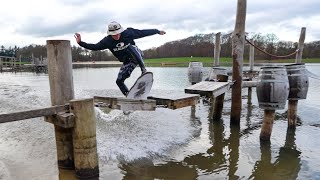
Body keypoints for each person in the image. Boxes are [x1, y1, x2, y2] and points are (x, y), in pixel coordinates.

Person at [74, 21, 166, 96]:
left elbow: (142, 32)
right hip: (128, 62)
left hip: (137, 56)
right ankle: (129, 97)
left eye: (118, 33)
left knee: (130, 47)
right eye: (114, 35)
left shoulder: (127, 33)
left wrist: (157, 31)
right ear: (110, 34)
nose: (117, 36)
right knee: (119, 81)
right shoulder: (107, 41)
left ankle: (143, 70)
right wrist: (80, 43)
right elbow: (94, 47)